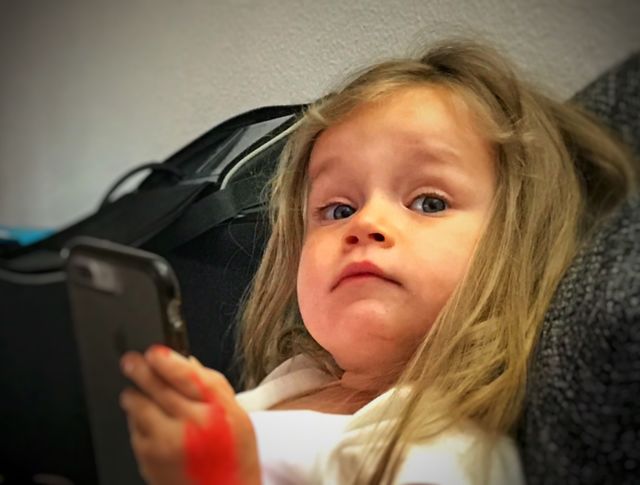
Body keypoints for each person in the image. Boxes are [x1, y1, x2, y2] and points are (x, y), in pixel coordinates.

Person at [118, 39, 638, 484]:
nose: (365, 223)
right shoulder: (298, 378)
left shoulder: (452, 452)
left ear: (518, 244)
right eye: (338, 209)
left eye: (428, 202)